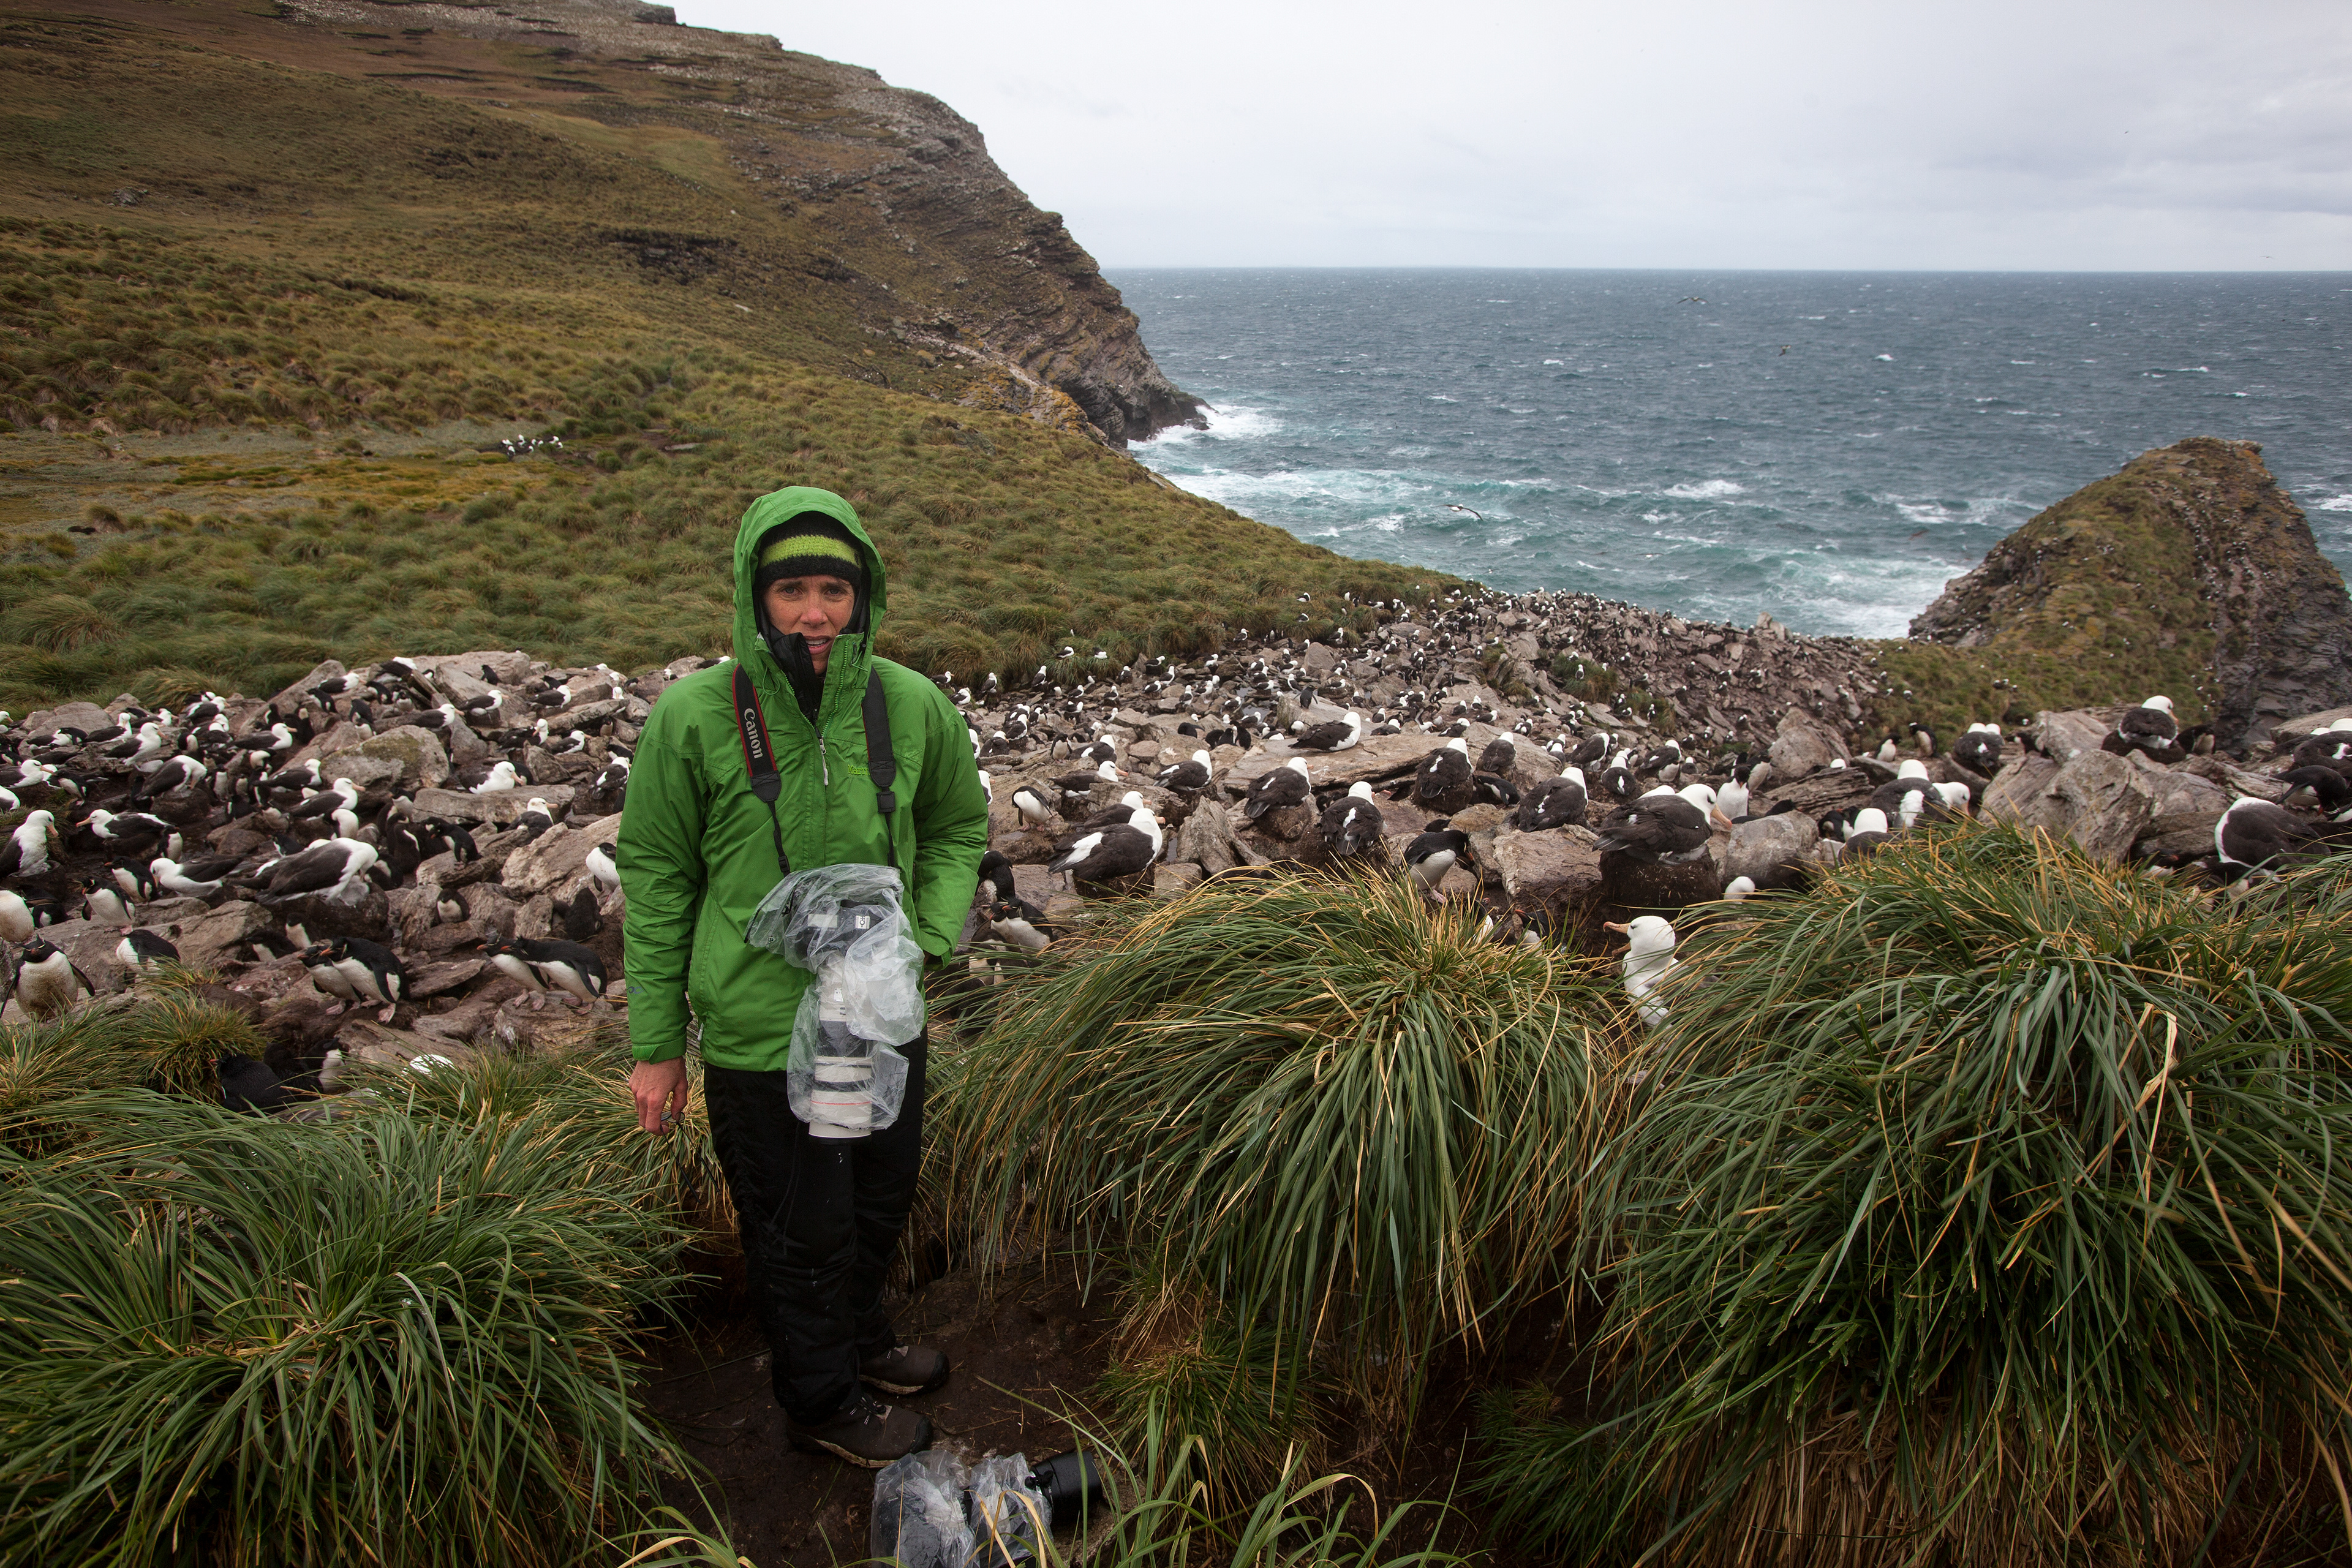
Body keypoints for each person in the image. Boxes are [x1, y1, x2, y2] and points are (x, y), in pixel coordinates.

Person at [619, 486, 990, 1467]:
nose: (815, 613)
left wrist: (931, 940)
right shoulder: (693, 716)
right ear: (755, 596)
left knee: (876, 1196)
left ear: (863, 599)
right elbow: (656, 881)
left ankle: (860, 1345)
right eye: (792, 590)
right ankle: (821, 1401)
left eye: (835, 589)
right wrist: (656, 1047)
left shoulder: (911, 704)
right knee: (798, 1227)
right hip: (753, 1026)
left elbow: (958, 827)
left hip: (879, 1018)